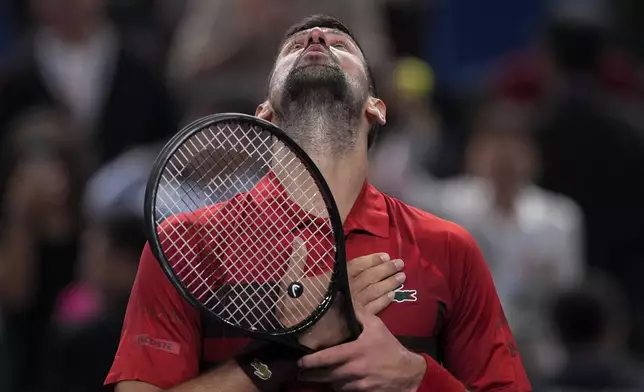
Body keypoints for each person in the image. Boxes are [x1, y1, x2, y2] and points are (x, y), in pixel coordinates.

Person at [106, 15, 531, 392]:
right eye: (294, 47)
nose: (315, 38)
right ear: (265, 113)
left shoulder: (447, 248)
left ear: (376, 108)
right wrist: (286, 349)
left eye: (341, 45)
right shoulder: (186, 243)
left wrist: (417, 378)